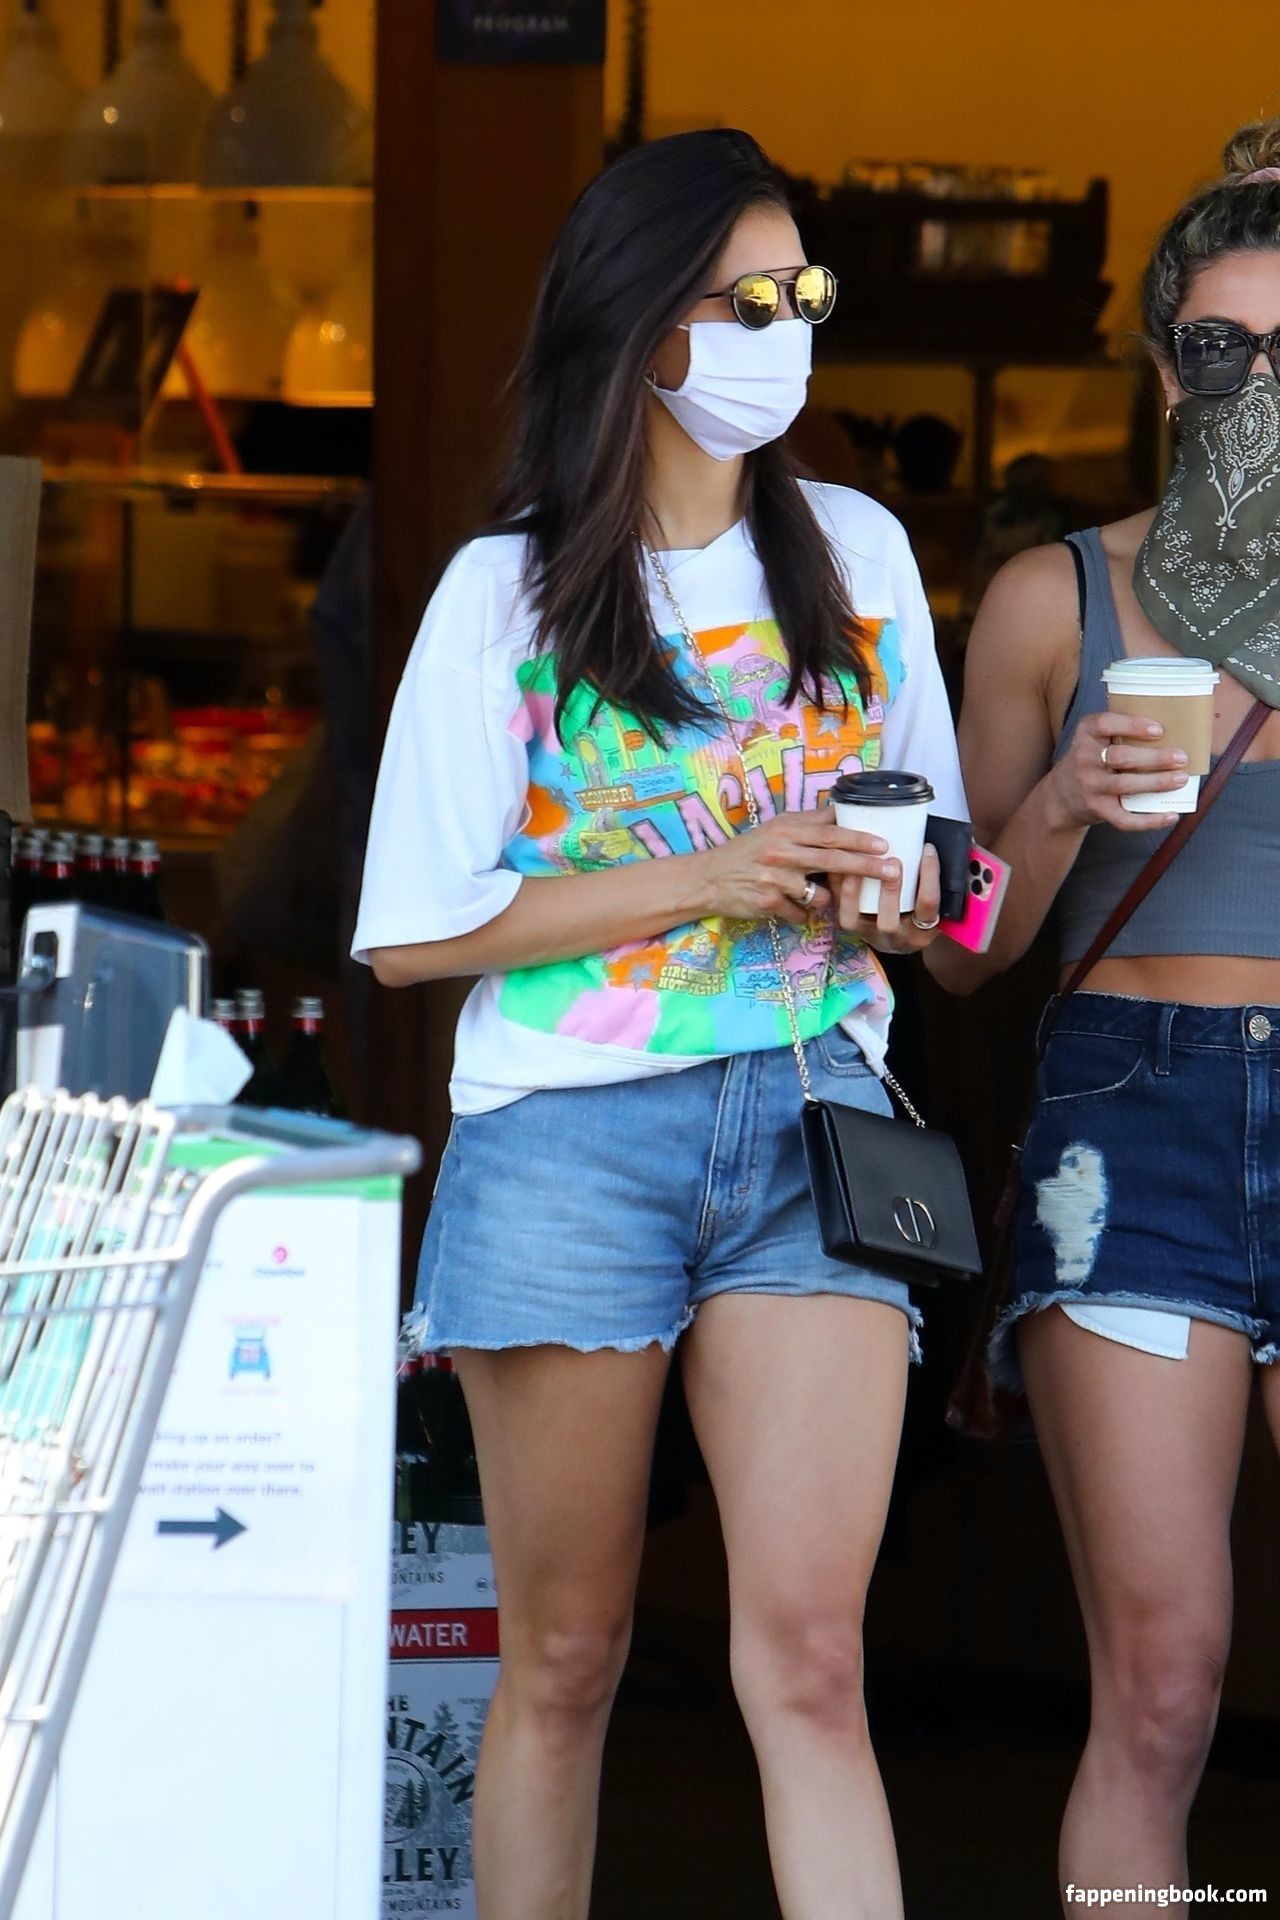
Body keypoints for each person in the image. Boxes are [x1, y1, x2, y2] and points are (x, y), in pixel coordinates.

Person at [354, 129, 965, 1920]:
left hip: (818, 1115)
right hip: (569, 1137)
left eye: (805, 293)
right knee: (564, 1659)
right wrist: (708, 877)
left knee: (815, 1661)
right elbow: (411, 934)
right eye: (749, 299)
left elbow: (943, 860)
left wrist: (918, 897)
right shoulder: (511, 590)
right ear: (638, 323)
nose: (790, 331)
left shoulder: (856, 551)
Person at [928, 118, 1280, 1913]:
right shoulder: (1049, 598)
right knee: (1161, 1688)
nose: (1258, 386)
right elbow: (956, 953)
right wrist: (1064, 800)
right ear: (1162, 368)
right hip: (1130, 1124)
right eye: (1224, 348)